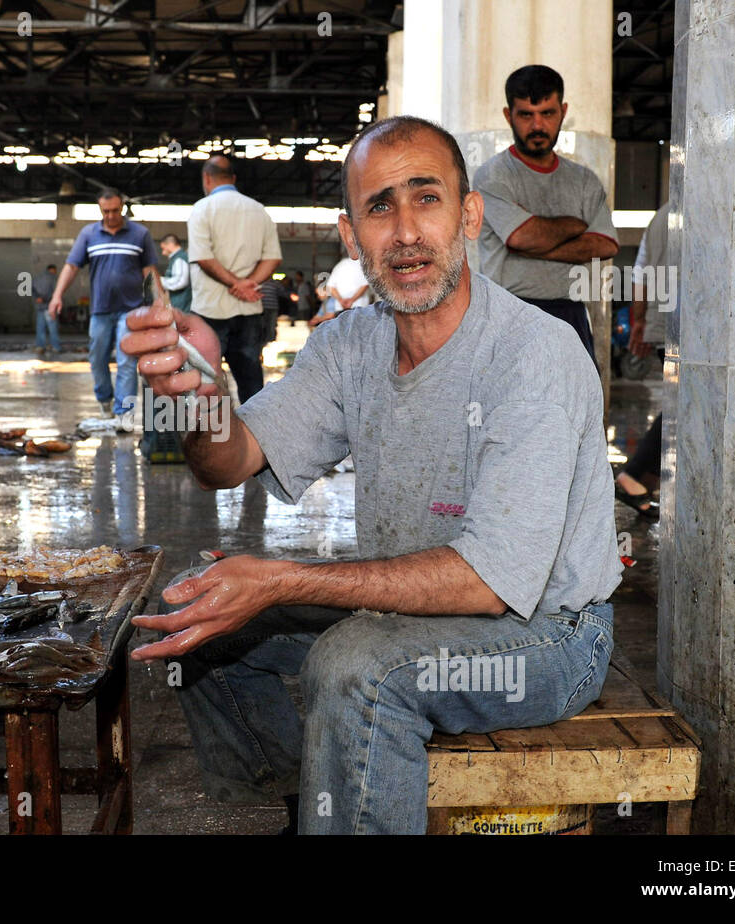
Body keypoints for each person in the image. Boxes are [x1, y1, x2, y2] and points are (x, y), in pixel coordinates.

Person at [121, 115, 621, 835]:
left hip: (549, 633)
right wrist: (204, 400)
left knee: (361, 669)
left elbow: (487, 583)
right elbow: (229, 463)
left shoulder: (534, 354)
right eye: (379, 208)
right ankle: (319, 807)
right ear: (352, 236)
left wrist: (285, 579)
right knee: (204, 611)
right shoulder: (350, 345)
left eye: (427, 199)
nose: (406, 232)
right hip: (422, 608)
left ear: (469, 216)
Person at [473, 64, 618, 362]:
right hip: (509, 312)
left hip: (571, 313)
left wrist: (537, 244)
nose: (537, 125)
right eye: (526, 115)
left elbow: (605, 244)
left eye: (547, 114)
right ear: (508, 115)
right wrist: (576, 225)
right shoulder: (493, 176)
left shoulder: (584, 180)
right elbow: (523, 237)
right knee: (510, 407)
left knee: (575, 406)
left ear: (563, 112)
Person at [48, 188, 164, 422]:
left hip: (131, 311)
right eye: (105, 211)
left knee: (127, 362)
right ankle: (104, 399)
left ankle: (124, 414)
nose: (111, 216)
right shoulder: (89, 234)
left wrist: (161, 302)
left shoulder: (139, 234)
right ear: (100, 209)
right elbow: (72, 266)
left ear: (122, 207)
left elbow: (149, 271)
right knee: (97, 358)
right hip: (100, 310)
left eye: (115, 210)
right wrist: (57, 295)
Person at [187, 156, 281, 402]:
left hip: (210, 309)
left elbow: (204, 259)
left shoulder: (202, 209)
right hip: (248, 307)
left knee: (207, 379)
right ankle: (255, 436)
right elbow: (272, 259)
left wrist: (234, 284)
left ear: (206, 179)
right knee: (250, 378)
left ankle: (211, 436)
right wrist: (246, 285)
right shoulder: (258, 210)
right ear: (233, 179)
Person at [614, 201, 670, 519]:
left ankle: (640, 477)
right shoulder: (714, 196)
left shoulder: (661, 215)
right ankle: (635, 475)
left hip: (665, 325)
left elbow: (640, 274)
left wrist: (640, 322)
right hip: (695, 329)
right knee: (686, 408)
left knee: (684, 407)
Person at [310, 255, 371, 327]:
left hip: (349, 311)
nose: (318, 296)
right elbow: (365, 285)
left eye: (319, 293)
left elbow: (330, 316)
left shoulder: (332, 300)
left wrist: (342, 300)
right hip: (353, 311)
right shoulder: (325, 303)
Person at [30, 263, 60, 356]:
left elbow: (31, 289)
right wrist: (46, 299)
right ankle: (55, 347)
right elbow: (55, 292)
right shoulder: (53, 278)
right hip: (49, 306)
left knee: (40, 328)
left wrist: (37, 298)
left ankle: (40, 346)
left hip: (39, 306)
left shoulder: (37, 278)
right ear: (53, 270)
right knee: (52, 328)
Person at [159, 234, 192, 311]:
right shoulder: (176, 258)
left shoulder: (179, 259)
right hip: (179, 305)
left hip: (182, 307)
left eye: (163, 248)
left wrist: (158, 281)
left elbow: (180, 281)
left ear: (170, 244)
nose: (163, 253)